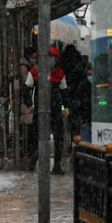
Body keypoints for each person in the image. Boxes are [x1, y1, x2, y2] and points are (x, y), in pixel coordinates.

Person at [26, 46, 68, 174]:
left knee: (58, 137)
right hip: (40, 109)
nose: (50, 60)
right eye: (47, 57)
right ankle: (33, 162)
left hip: (54, 108)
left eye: (52, 58)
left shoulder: (59, 73)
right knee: (37, 136)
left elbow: (64, 92)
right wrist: (30, 105)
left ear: (56, 59)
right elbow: (27, 89)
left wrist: (65, 107)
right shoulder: (34, 72)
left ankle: (56, 165)